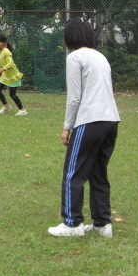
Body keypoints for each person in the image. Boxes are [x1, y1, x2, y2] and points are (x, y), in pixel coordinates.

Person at [48, 18, 120, 237]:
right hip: (111, 120)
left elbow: (75, 97)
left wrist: (67, 127)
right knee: (98, 173)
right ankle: (102, 224)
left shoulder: (75, 57)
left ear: (69, 37)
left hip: (89, 120)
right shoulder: (101, 57)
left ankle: (72, 224)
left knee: (73, 173)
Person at [0, 34, 27, 116]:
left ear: (4, 43)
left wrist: (0, 71)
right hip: (5, 76)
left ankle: (22, 110)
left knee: (12, 94)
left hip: (12, 75)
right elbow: (0, 65)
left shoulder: (6, 51)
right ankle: (6, 106)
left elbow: (10, 63)